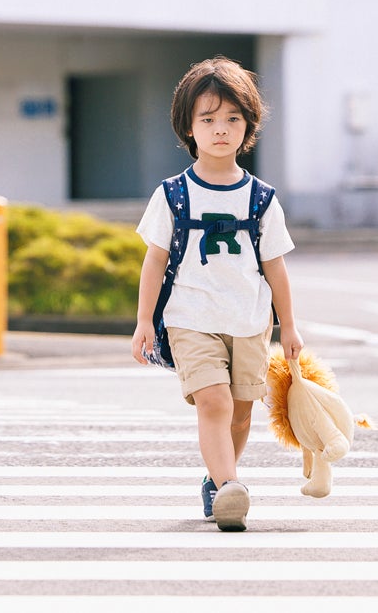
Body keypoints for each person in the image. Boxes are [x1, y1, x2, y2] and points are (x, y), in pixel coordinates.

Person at [130, 57, 302, 532]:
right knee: (214, 403)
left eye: (232, 119)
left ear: (248, 126)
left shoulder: (262, 199)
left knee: (242, 415)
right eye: (207, 119)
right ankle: (231, 488)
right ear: (189, 126)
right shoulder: (173, 194)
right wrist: (145, 321)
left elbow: (275, 267)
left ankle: (217, 480)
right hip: (190, 318)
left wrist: (289, 325)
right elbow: (155, 260)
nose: (220, 129)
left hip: (249, 321)